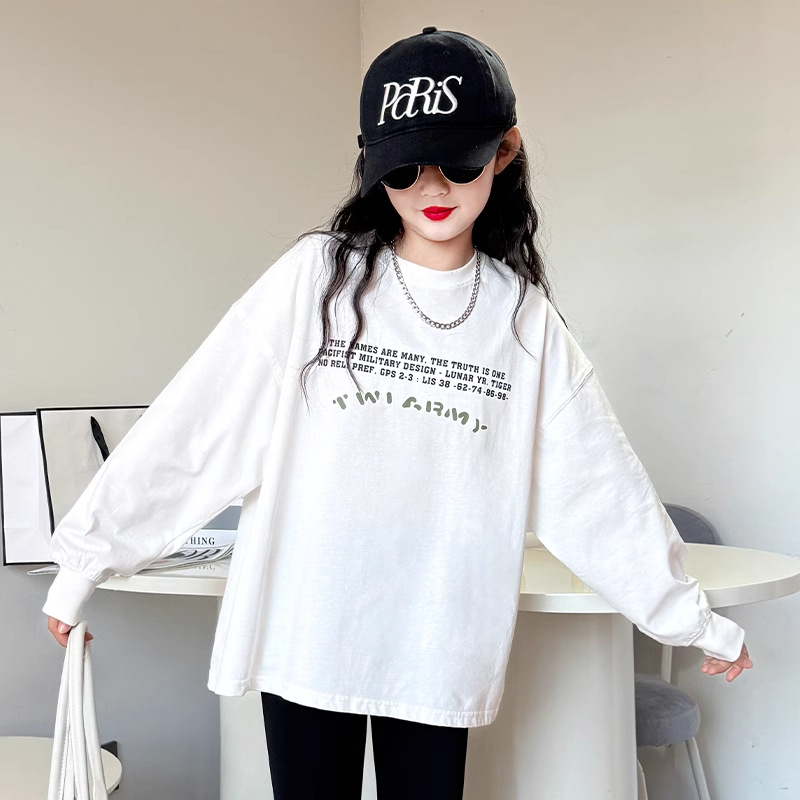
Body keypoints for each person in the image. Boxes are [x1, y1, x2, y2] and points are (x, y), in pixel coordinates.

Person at [45, 26, 752, 800]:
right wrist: (88, 558)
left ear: (505, 151)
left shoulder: (523, 322)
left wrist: (691, 620)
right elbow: (199, 424)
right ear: (373, 164)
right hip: (308, 630)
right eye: (404, 168)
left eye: (458, 161)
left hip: (437, 641)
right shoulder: (318, 279)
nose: (431, 188)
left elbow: (598, 491)